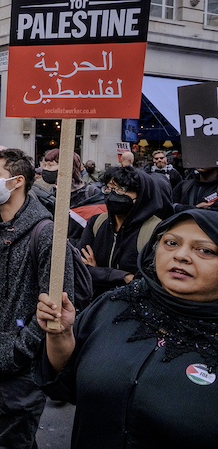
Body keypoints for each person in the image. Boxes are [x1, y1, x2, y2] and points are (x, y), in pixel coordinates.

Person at [36, 209, 218, 449]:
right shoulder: (115, 304)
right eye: (171, 243)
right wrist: (60, 335)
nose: (181, 256)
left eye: (204, 250)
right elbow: (66, 384)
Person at [0, 148, 75, 449]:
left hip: (21, 363)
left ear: (17, 182)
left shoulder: (46, 233)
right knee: (0, 427)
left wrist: (21, 347)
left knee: (14, 437)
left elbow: (59, 303)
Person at [77, 166, 166, 297]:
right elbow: (79, 268)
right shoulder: (97, 222)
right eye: (109, 188)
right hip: (96, 305)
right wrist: (122, 276)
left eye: (121, 189)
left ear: (141, 195)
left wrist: (97, 272)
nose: (113, 194)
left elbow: (146, 281)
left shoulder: (155, 230)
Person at [32, 149, 102, 242]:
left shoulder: (91, 193)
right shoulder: (50, 194)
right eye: (44, 165)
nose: (45, 169)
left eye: (50, 165)